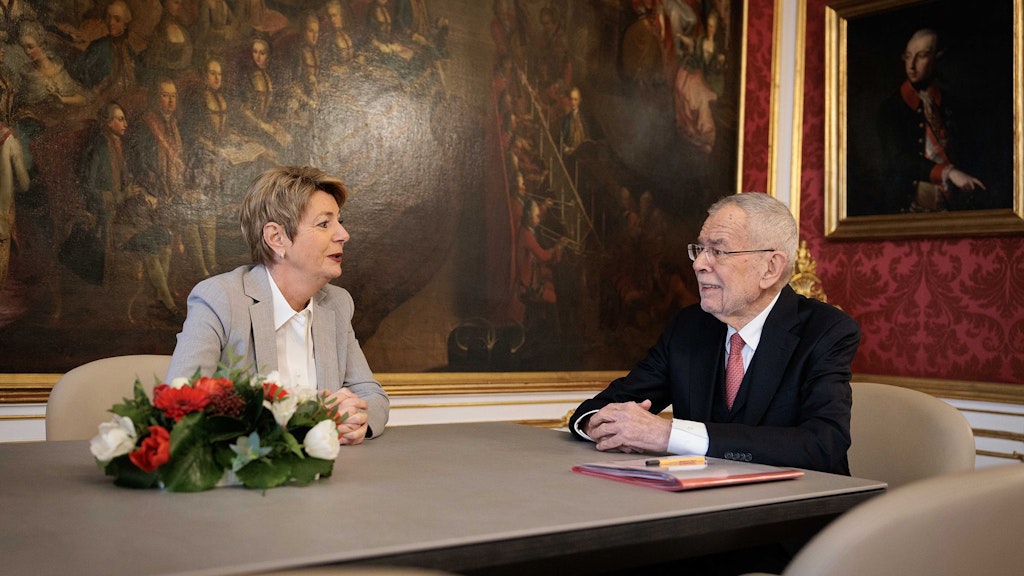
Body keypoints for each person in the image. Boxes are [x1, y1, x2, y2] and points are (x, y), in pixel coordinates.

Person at [569, 192, 861, 476]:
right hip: (702, 509)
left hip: (799, 515)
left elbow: (823, 446)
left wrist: (670, 435)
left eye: (718, 251)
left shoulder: (826, 331)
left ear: (770, 268)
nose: (698, 264)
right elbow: (603, 406)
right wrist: (599, 423)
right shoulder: (689, 326)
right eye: (699, 249)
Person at [166, 165, 390, 444]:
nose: (343, 235)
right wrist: (310, 419)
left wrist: (357, 420)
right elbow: (180, 407)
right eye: (324, 224)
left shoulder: (336, 303)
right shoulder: (219, 299)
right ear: (276, 238)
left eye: (339, 222)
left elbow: (373, 396)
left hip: (329, 478)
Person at [877, 28, 986, 213]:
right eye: (908, 56)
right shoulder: (891, 108)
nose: (911, 65)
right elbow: (900, 161)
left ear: (937, 57)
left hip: (952, 208)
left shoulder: (951, 104)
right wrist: (948, 172)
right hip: (911, 210)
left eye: (921, 56)